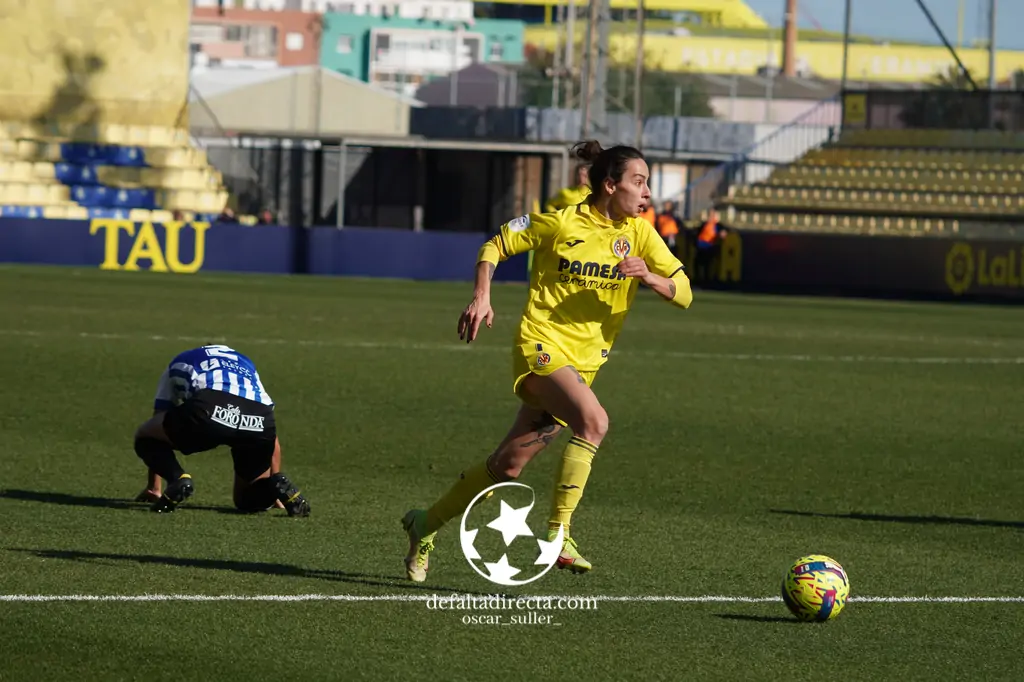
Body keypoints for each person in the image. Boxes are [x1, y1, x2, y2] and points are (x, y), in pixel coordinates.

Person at [401, 140, 693, 582]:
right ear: (610, 185)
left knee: (507, 466)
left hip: (582, 366)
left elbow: (685, 293)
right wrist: (482, 296)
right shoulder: (560, 223)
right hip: (541, 347)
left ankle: (424, 525)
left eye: (648, 182)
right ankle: (559, 535)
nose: (648, 192)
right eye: (639, 181)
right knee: (594, 422)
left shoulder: (641, 235)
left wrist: (649, 276)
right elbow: (494, 245)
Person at [132, 344, 310, 516]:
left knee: (145, 435)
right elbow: (272, 438)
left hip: (210, 408)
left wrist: (154, 487)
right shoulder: (246, 363)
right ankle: (275, 486)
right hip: (258, 418)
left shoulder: (183, 359)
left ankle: (178, 479)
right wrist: (275, 478)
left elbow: (158, 420)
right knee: (247, 502)